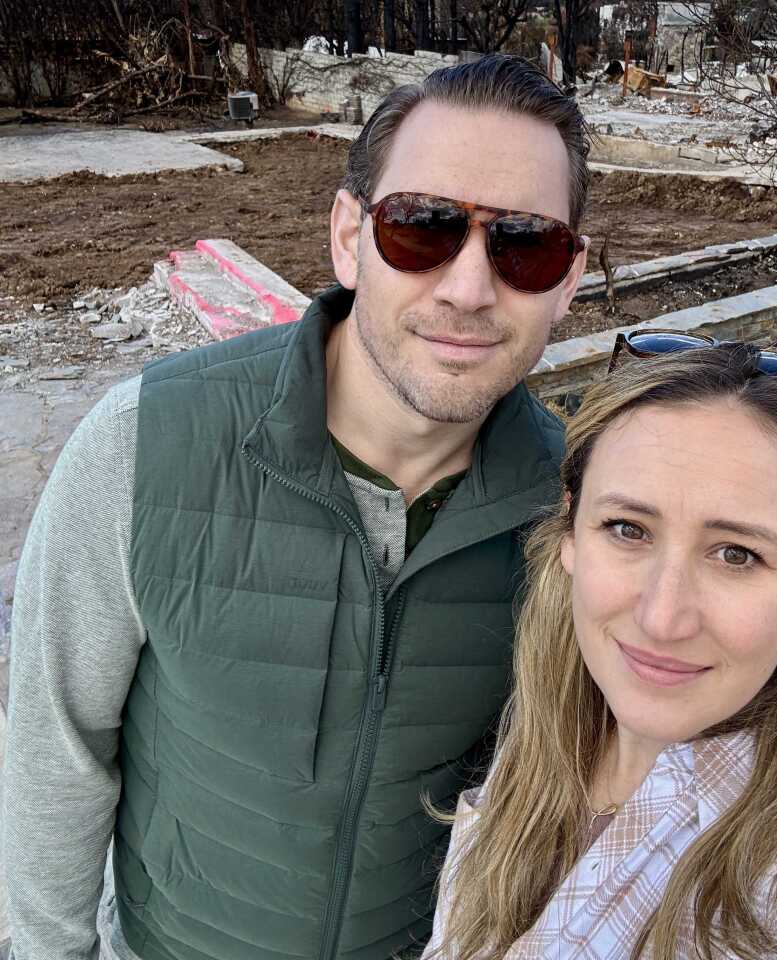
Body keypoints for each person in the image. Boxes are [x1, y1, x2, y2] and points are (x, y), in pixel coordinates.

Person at [2, 55, 590, 960]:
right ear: (349, 235)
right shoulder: (144, 445)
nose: (470, 289)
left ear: (570, 279)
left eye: (526, 245)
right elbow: (55, 753)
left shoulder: (576, 517)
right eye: (423, 228)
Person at [424, 332, 777, 960]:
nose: (662, 617)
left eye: (737, 554)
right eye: (628, 529)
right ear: (570, 531)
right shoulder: (537, 760)